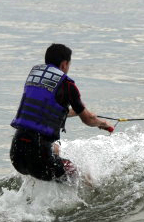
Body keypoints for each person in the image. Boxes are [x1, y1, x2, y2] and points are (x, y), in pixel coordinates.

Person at [10, 44, 114, 181]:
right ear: (64, 64)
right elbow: (88, 119)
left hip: (17, 153)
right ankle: (99, 200)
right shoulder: (67, 85)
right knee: (83, 176)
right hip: (39, 157)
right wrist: (104, 124)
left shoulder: (35, 76)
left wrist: (75, 112)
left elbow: (45, 111)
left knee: (56, 149)